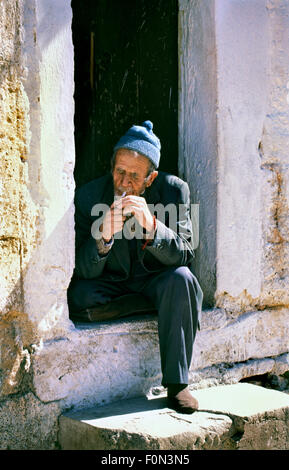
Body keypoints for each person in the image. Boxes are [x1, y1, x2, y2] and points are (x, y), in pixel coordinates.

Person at [68, 121, 203, 414]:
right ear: (112, 166)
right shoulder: (88, 197)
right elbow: (82, 270)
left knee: (183, 280)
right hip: (111, 284)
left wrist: (153, 226)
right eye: (119, 172)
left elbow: (186, 253)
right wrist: (102, 237)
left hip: (156, 280)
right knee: (78, 296)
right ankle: (150, 305)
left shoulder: (174, 190)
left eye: (134, 176)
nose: (124, 183)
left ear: (150, 178)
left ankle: (178, 385)